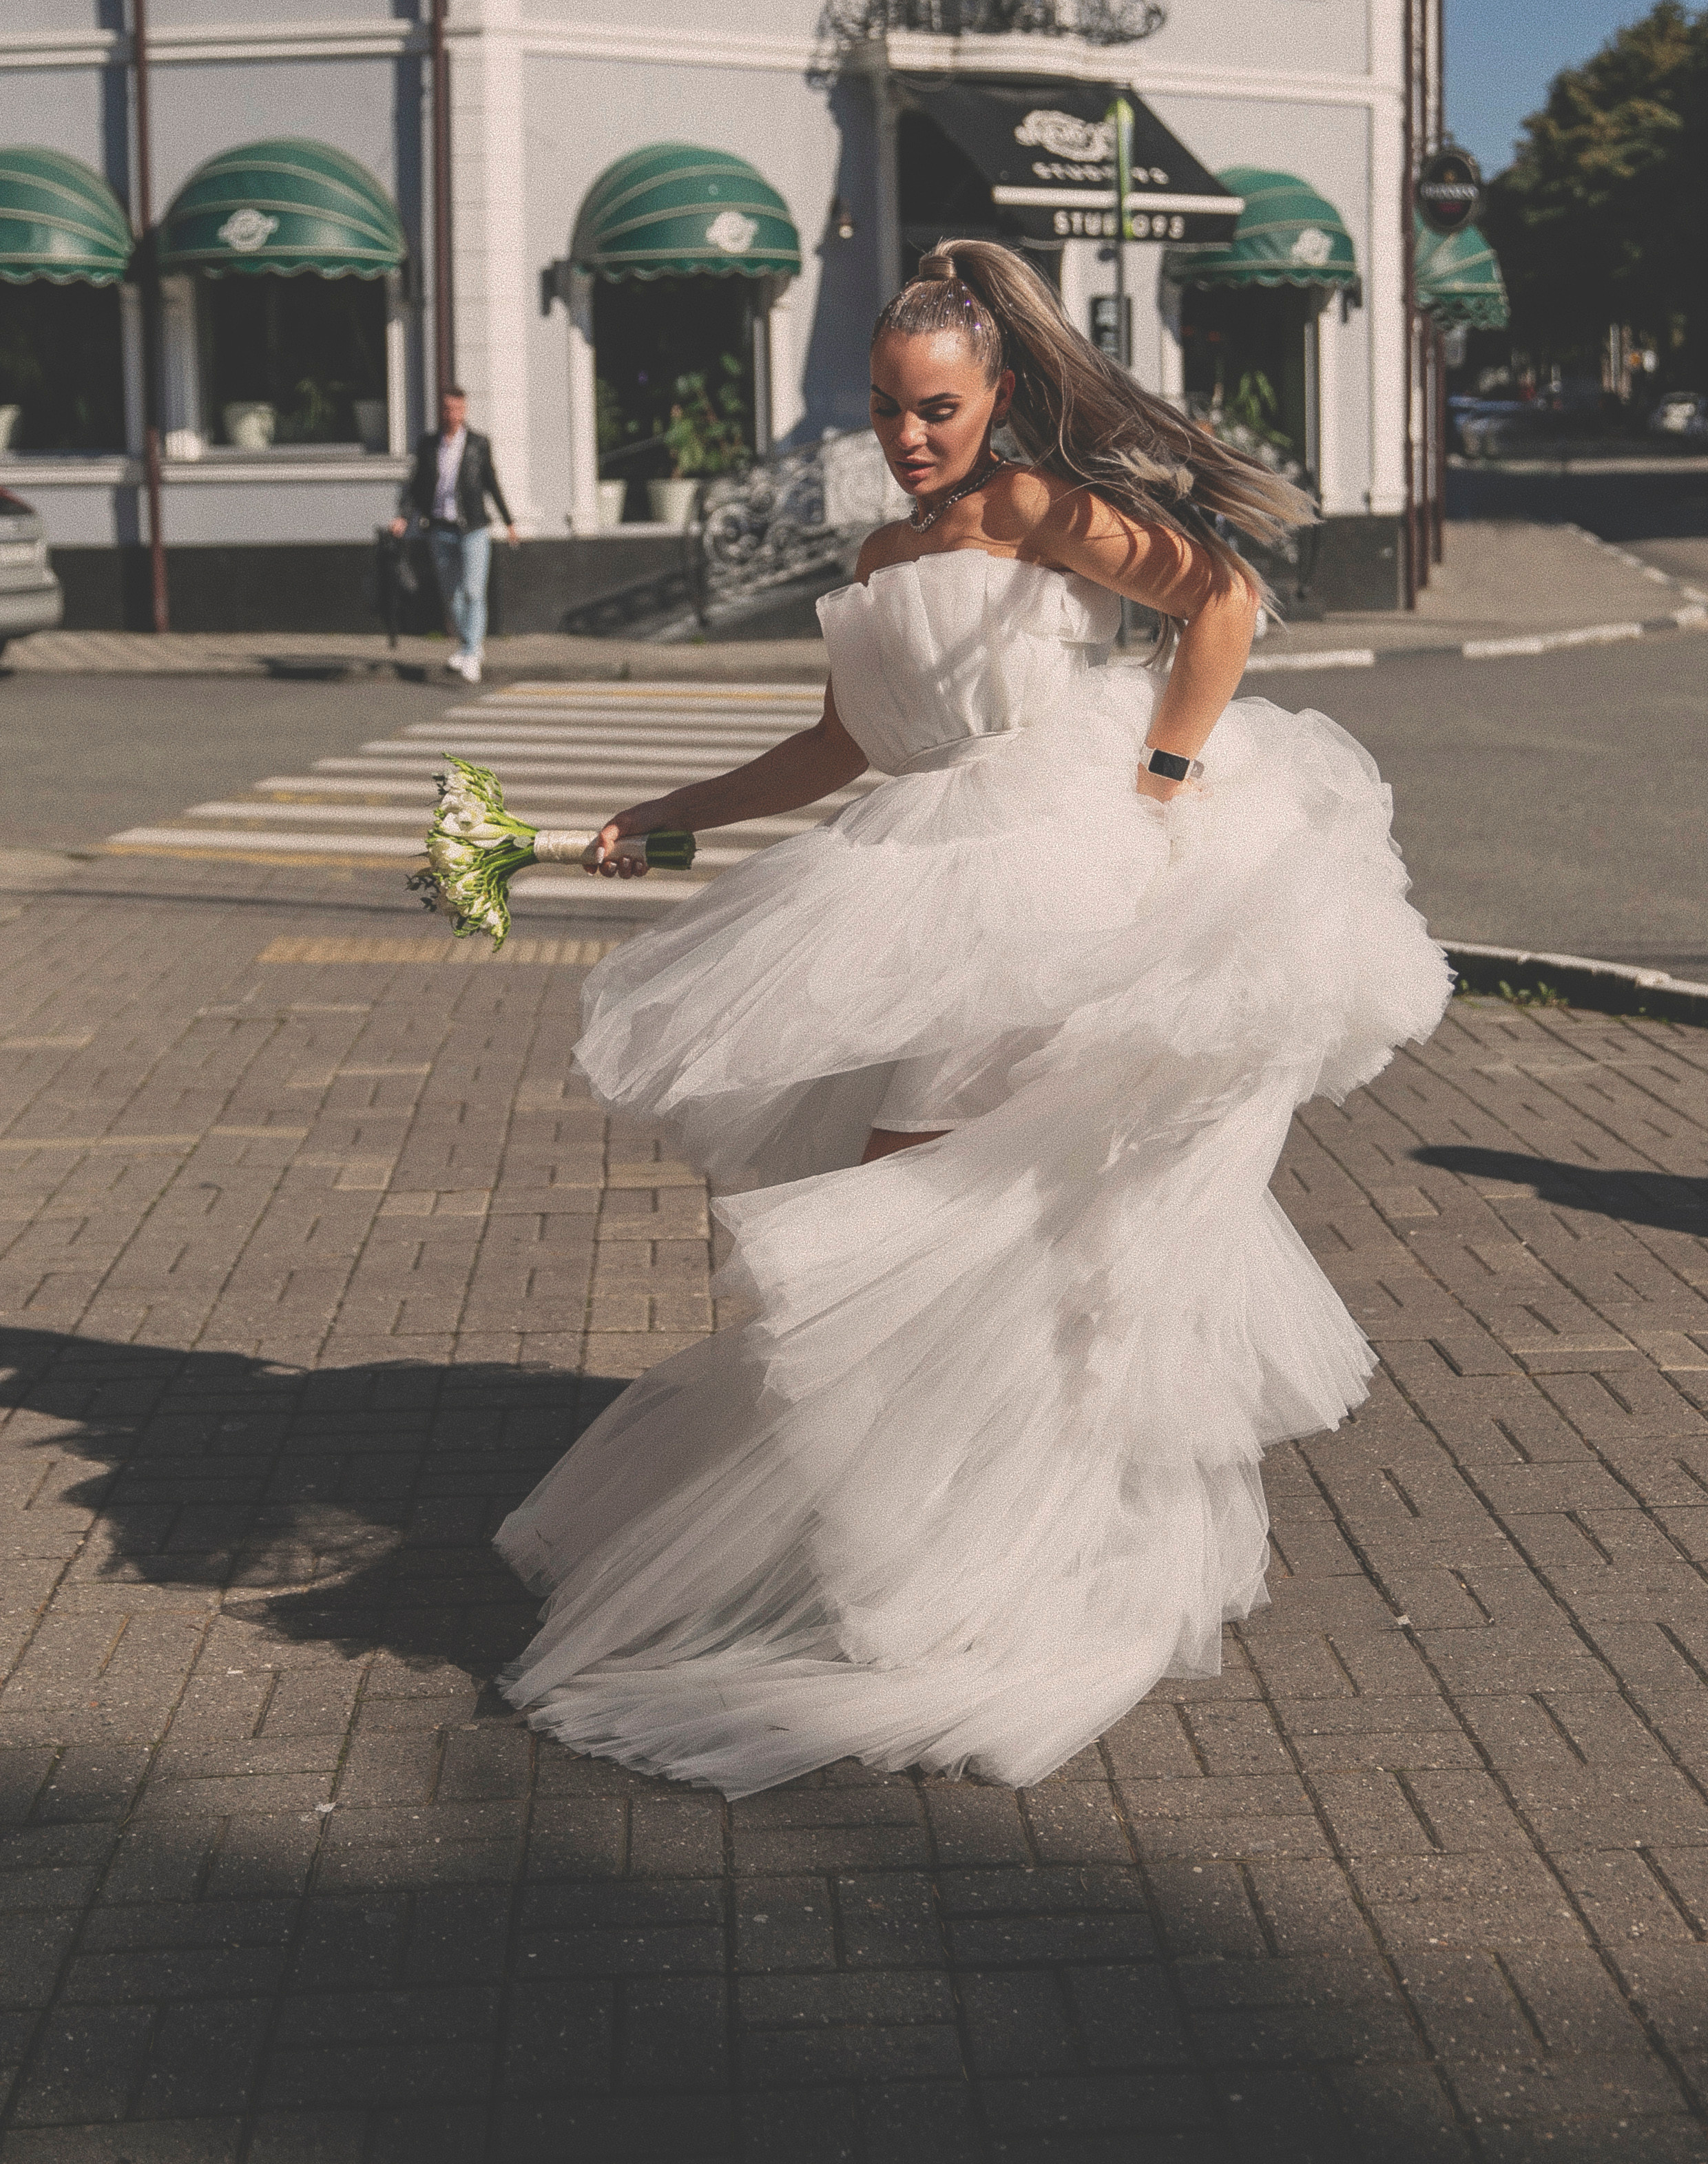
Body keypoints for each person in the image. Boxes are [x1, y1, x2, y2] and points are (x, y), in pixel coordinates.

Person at [494, 241, 1450, 1799]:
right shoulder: (882, 557)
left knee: (909, 1193)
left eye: (935, 404)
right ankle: (951, 1519)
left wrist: (1160, 780)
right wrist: (660, 812)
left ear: (998, 393)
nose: (911, 432)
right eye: (885, 406)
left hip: (1057, 874)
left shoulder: (1027, 508)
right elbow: (838, 748)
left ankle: (961, 1545)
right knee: (958, 1207)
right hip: (919, 888)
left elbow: (1220, 600)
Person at [393, 386, 517, 683]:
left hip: (473, 528)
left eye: (458, 409)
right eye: (448, 409)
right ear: (442, 411)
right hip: (439, 529)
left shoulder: (477, 444)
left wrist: (509, 521)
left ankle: (472, 652)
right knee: (452, 595)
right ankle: (468, 645)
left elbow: (491, 482)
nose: (452, 415)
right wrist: (403, 515)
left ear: (465, 411)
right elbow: (416, 485)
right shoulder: (428, 445)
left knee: (474, 591)